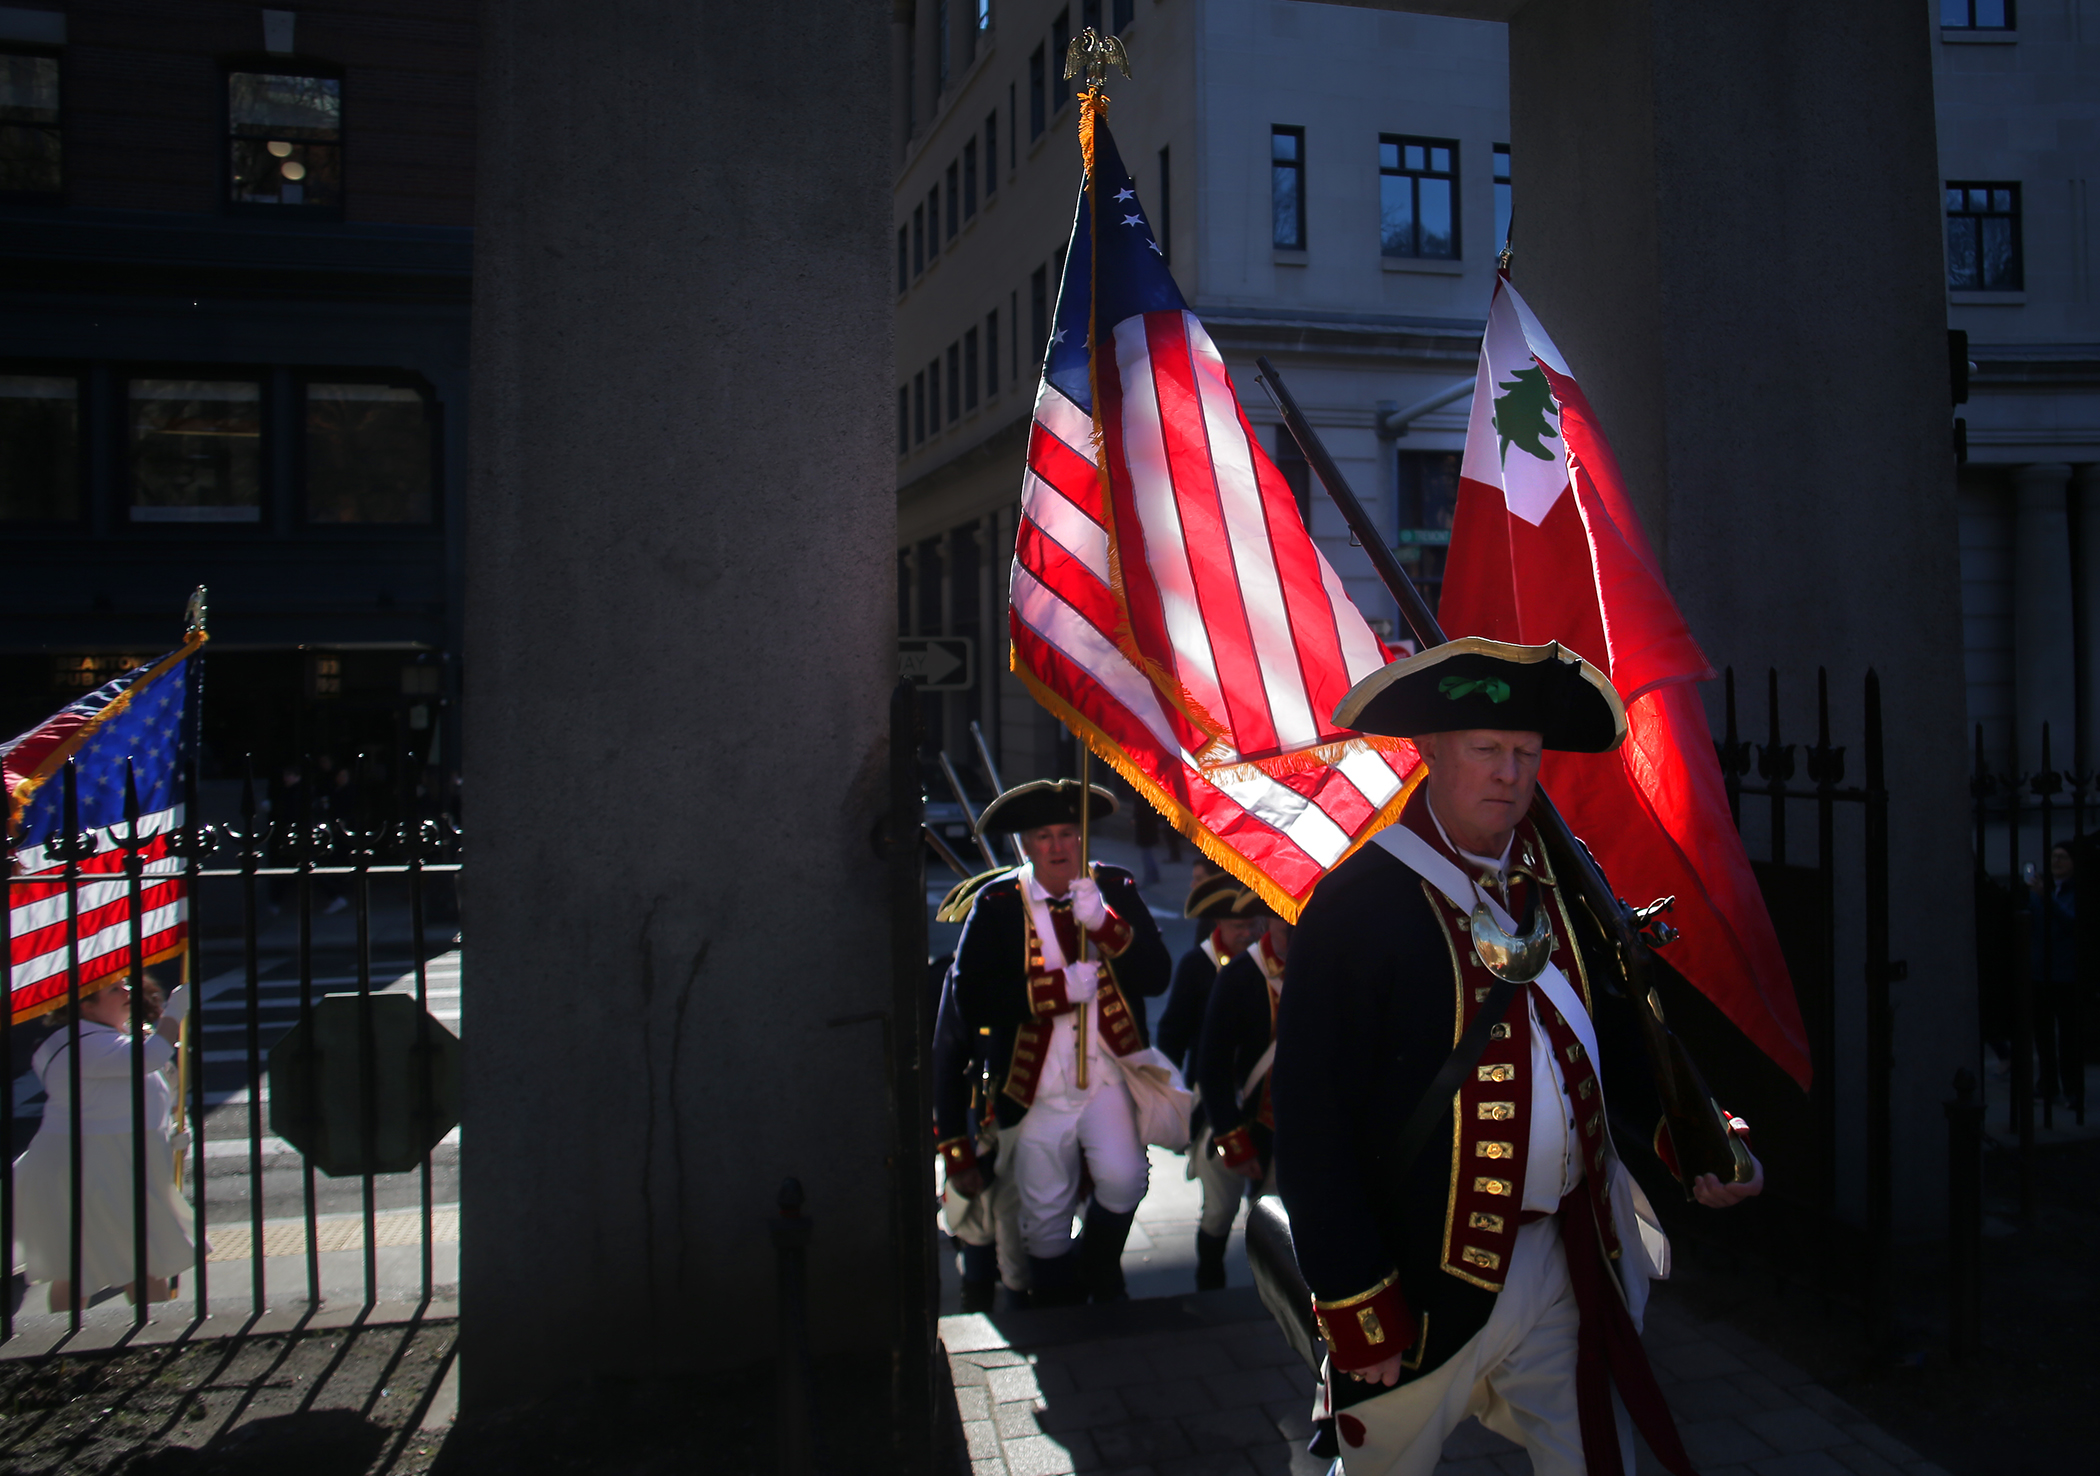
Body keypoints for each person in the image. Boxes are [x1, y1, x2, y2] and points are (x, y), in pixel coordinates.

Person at [1274, 638, 1762, 1476]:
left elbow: (1615, 1033)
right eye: (1487, 751)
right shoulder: (1356, 907)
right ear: (1429, 752)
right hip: (1424, 1281)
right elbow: (1314, 1127)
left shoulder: (1559, 884)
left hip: (1566, 1263)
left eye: (1525, 753)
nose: (1510, 773)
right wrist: (1360, 1307)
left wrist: (1697, 1134)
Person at [951, 777, 1173, 1305]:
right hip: (1036, 1085)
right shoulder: (999, 901)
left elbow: (1156, 976)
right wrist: (1050, 990)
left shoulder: (1114, 888)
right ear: (1026, 845)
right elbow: (970, 998)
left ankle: (1096, 1267)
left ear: (1084, 840)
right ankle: (1057, 1307)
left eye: (1068, 834)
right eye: (1044, 836)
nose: (1057, 846)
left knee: (1124, 1179)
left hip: (1107, 1076)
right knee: (1043, 1211)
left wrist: (1104, 924)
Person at [13, 977, 199, 1312]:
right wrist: (175, 1013)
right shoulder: (81, 1044)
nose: (128, 991)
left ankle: (69, 1350)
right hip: (87, 1168)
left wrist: (170, 1131)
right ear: (86, 1005)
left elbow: (144, 1090)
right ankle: (151, 1339)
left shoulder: (108, 1038)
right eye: (114, 989)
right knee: (132, 1261)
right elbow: (152, 1058)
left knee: (86, 1266)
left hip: (102, 1164)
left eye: (125, 984)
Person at [1157, 871, 1266, 1290]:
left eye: (1253, 926)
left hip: (1263, 1098)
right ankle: (1210, 1278)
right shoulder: (1196, 965)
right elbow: (1172, 1034)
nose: (1248, 934)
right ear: (1219, 924)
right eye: (1239, 927)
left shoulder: (1260, 966)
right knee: (1219, 1208)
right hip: (1212, 1096)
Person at [1192, 889, 1292, 1289]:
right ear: (1268, 920)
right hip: (1232, 1118)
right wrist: (1232, 1139)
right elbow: (1211, 1066)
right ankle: (1209, 1283)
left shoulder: (1322, 971)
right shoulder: (1239, 975)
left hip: (1288, 1127)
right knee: (1218, 1213)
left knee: (1277, 1222)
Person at [932, 960, 1030, 1312]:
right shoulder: (967, 971)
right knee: (978, 1236)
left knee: (1025, 1250)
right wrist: (958, 1155)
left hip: (1038, 1132)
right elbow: (947, 1063)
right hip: (985, 1131)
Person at [2024, 842, 2080, 1112]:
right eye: (2054, 856)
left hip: (2066, 973)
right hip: (2040, 972)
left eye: (2063, 857)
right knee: (2043, 1035)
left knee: (2068, 1036)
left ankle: (2072, 1089)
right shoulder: (2039, 891)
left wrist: (2046, 897)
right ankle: (2048, 1084)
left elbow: (2071, 922)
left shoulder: (2074, 891)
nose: (2057, 861)